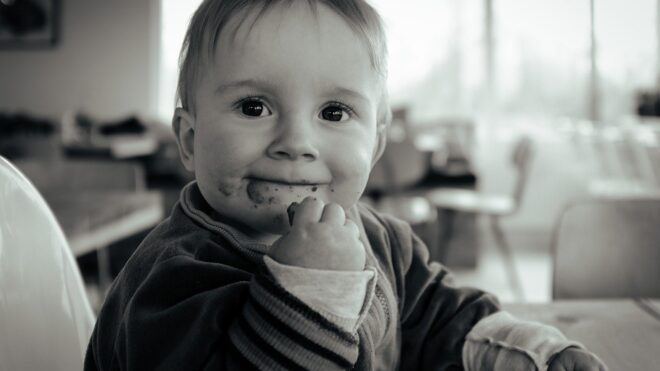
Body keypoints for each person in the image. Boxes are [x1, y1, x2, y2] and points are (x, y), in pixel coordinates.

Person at [85, 1, 608, 370]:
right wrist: (308, 292)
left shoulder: (384, 240)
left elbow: (439, 317)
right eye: (254, 107)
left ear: (376, 144)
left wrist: (525, 350)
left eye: (334, 112)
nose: (296, 141)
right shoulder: (170, 279)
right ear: (190, 140)